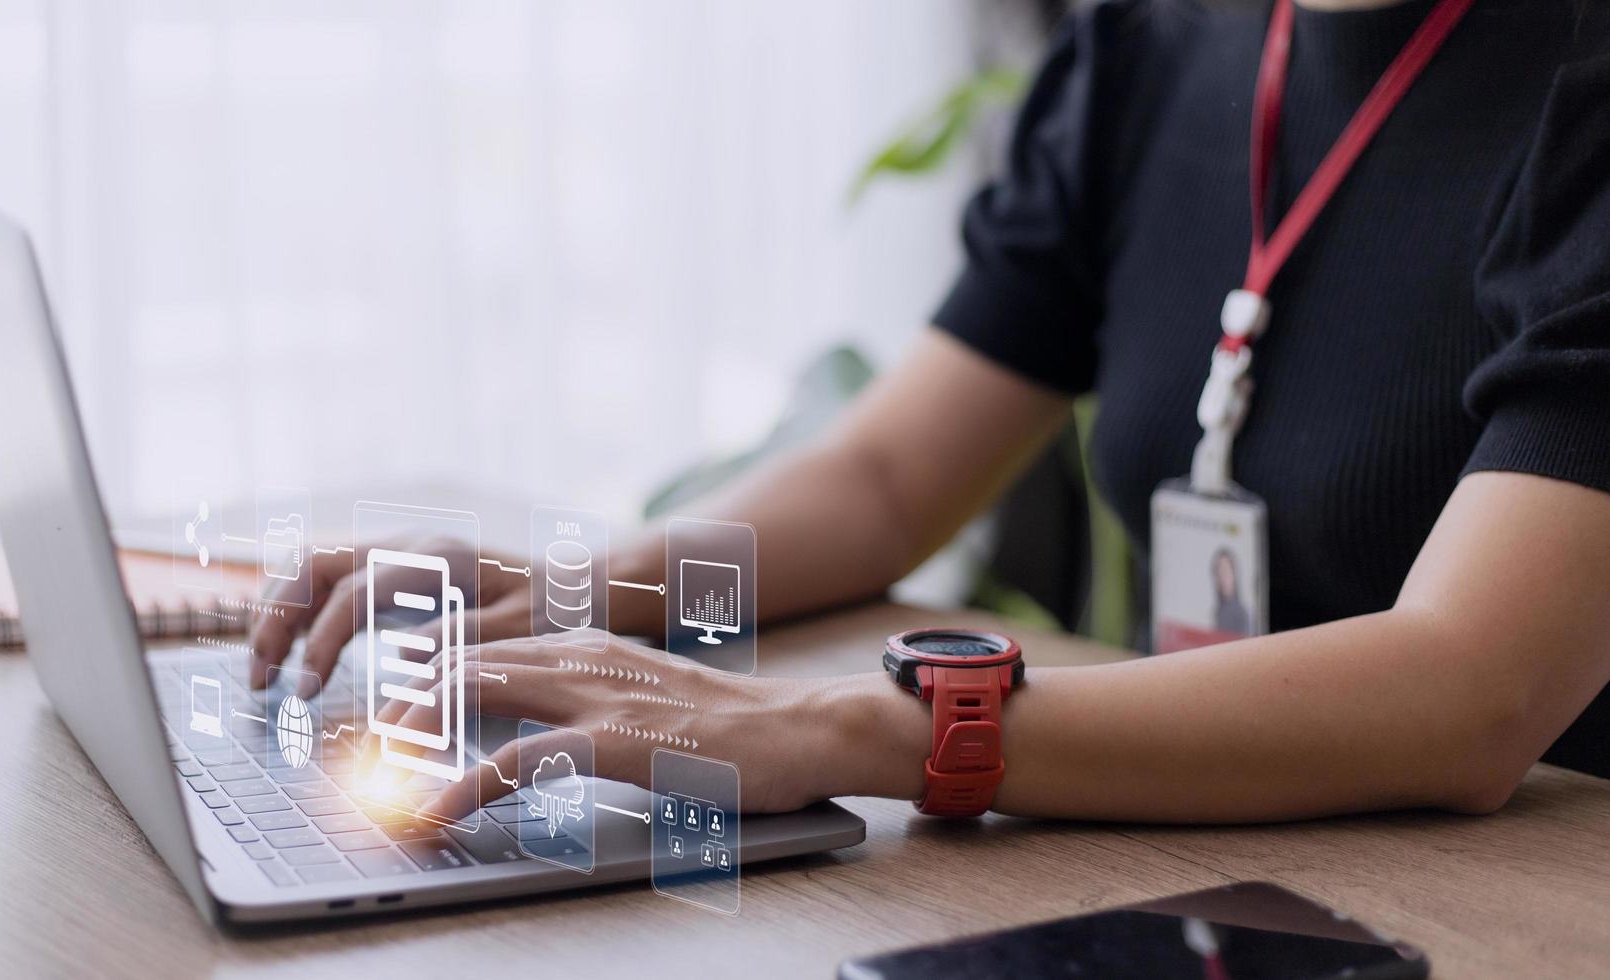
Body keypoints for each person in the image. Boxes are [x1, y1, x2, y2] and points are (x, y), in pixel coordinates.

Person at [251, 0, 1610, 824]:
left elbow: (1471, 692)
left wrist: (843, 728)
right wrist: (583, 589)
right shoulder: (1148, 56)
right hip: (1225, 879)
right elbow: (889, 473)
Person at [1212, 549, 1250, 637]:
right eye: (1218, 572)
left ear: (1233, 574)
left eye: (1225, 570)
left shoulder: (1242, 613)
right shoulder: (1217, 612)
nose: (1222, 577)